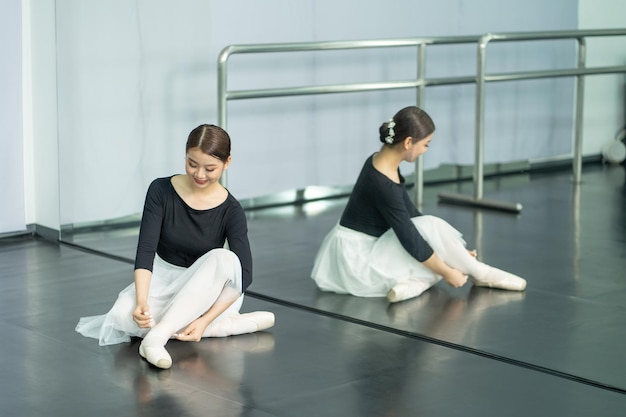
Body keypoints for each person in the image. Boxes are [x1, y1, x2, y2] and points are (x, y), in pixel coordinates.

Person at [76, 124, 275, 369]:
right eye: (192, 164)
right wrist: (141, 302)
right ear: (184, 156)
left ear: (227, 163)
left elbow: (244, 275)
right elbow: (146, 251)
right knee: (121, 317)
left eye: (210, 168)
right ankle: (229, 326)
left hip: (206, 288)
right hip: (163, 279)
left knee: (224, 259)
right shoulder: (160, 190)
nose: (200, 174)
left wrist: (205, 319)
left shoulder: (231, 210)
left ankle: (156, 339)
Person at [311, 106, 526, 303]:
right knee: (435, 256)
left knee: (432, 235)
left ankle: (411, 286)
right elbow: (409, 237)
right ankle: (480, 274)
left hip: (367, 247)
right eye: (425, 144)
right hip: (358, 262)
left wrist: (453, 250)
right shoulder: (382, 182)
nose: (425, 150)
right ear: (408, 143)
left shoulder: (382, 162)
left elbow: (411, 215)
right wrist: (448, 271)